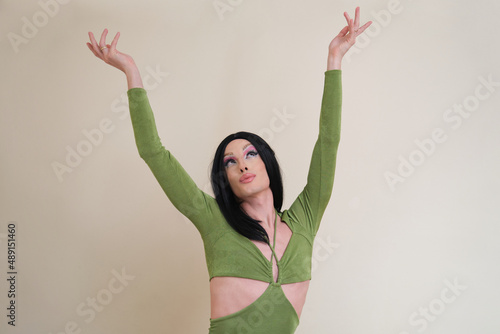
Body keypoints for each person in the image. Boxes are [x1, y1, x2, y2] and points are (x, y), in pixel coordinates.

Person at [86, 7, 371, 333]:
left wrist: (335, 58)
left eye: (250, 154)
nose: (242, 164)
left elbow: (328, 141)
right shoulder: (213, 219)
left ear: (267, 163)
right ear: (225, 180)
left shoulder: (306, 217)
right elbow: (153, 152)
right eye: (230, 162)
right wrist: (131, 71)